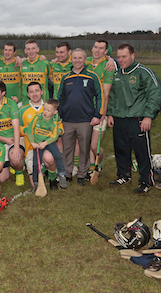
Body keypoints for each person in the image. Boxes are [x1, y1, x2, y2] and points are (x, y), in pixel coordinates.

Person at [107, 43, 161, 193]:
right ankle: (124, 175)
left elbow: (155, 94)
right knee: (121, 149)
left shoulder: (144, 72)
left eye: (124, 56)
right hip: (119, 119)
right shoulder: (117, 74)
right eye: (119, 57)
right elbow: (113, 97)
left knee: (141, 151)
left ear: (132, 55)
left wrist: (148, 116)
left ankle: (146, 180)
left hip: (138, 119)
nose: (121, 60)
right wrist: (110, 113)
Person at [57, 48, 102, 185]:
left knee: (84, 148)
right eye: (75, 58)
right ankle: (68, 173)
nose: (77, 60)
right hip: (68, 120)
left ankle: (82, 174)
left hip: (86, 120)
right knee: (67, 148)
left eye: (80, 58)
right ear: (71, 59)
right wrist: (60, 114)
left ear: (85, 59)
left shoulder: (92, 76)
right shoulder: (66, 77)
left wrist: (97, 115)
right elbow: (60, 98)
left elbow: (100, 96)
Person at [18, 82, 62, 189]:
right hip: (31, 147)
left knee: (50, 158)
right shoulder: (23, 110)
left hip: (47, 145)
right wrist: (29, 131)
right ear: (28, 94)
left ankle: (52, 179)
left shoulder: (49, 108)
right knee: (36, 185)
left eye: (37, 90)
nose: (34, 94)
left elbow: (60, 127)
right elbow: (18, 129)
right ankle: (42, 169)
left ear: (42, 92)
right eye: (31, 92)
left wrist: (56, 132)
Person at [86, 39, 115, 174]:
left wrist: (102, 111)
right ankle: (92, 167)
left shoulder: (108, 66)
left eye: (101, 48)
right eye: (95, 47)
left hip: (98, 109)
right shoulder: (86, 62)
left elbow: (106, 92)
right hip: (84, 108)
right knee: (85, 143)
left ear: (106, 51)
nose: (97, 50)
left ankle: (100, 161)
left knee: (94, 146)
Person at [25, 98, 67, 190]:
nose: (45, 112)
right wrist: (32, 142)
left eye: (48, 110)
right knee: (36, 164)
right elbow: (29, 130)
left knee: (58, 156)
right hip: (37, 144)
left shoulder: (54, 122)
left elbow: (55, 136)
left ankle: (62, 175)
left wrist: (45, 143)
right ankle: (36, 183)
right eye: (44, 109)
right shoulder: (37, 118)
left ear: (55, 112)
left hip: (49, 142)